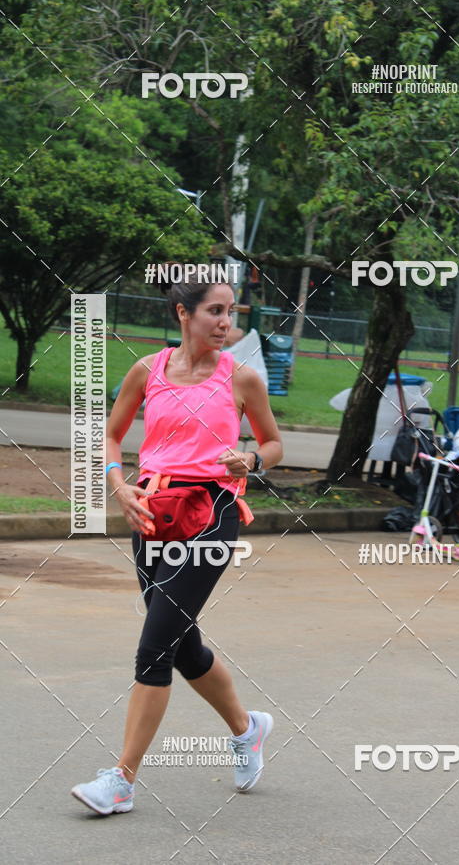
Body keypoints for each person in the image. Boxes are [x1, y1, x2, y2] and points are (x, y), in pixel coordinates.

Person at [71, 276, 283, 814]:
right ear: (183, 313)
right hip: (152, 511)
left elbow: (274, 443)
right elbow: (111, 435)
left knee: (154, 647)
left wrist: (252, 460)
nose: (226, 322)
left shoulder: (242, 378)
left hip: (211, 514)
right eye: (215, 311)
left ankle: (121, 780)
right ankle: (247, 727)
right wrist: (119, 486)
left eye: (230, 312)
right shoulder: (147, 371)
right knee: (182, 645)